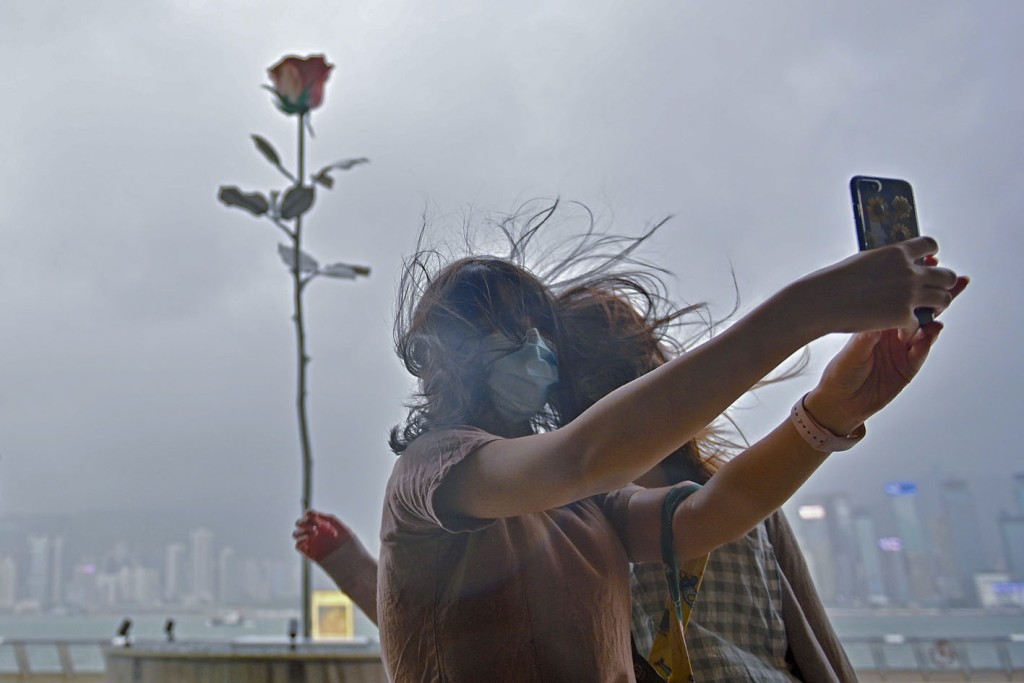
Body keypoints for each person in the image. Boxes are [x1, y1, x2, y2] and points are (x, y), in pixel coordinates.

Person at [303, 208, 966, 681]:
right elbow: (580, 457)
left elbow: (712, 513)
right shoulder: (432, 465)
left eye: (540, 333)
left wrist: (830, 412)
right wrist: (805, 312)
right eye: (506, 330)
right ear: (445, 358)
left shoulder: (585, 504)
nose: (536, 349)